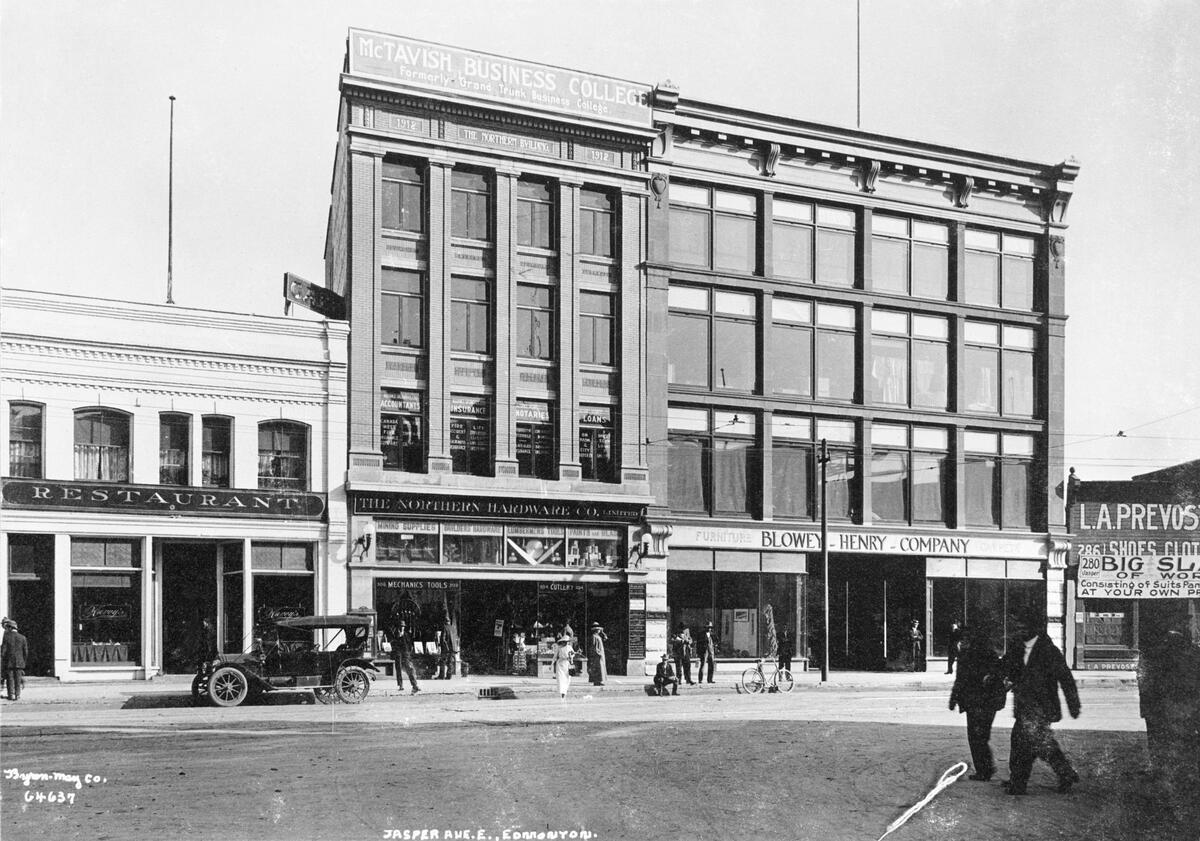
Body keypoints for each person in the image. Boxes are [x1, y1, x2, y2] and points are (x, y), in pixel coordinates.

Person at [1001, 614, 1080, 795]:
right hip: (1024, 705)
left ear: (1034, 628)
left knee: (1024, 742)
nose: (1019, 630)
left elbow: (1066, 678)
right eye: (1017, 627)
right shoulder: (1017, 647)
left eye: (1022, 626)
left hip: (1042, 706)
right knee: (1037, 742)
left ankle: (1018, 783)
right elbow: (1006, 667)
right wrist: (999, 678)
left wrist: (1073, 705)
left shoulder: (1049, 650)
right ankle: (1065, 772)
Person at [1137, 619, 1200, 795]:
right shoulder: (1193, 654)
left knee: (1163, 739)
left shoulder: (1156, 655)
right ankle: (1178, 774)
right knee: (1182, 740)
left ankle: (1164, 772)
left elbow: (1147, 682)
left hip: (1166, 705)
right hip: (1180, 706)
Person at [948, 627, 1008, 781]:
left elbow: (960, 679)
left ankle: (984, 770)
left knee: (976, 737)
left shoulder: (969, 655)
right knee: (981, 736)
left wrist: (953, 699)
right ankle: (985, 769)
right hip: (985, 702)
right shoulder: (988, 654)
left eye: (965, 639)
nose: (962, 642)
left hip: (978, 702)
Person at [389, 619, 420, 695]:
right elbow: (393, 644)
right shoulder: (395, 634)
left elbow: (409, 644)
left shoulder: (406, 634)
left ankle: (414, 685)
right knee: (398, 669)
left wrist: (409, 653)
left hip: (405, 655)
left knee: (410, 669)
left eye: (403, 626)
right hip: (398, 655)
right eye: (400, 626)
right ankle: (400, 685)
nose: (402, 628)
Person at [2, 618, 29, 702]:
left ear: (10, 628)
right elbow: (26, 652)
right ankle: (17, 695)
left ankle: (11, 695)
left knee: (10, 679)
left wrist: (3, 660)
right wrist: (23, 661)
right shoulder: (23, 637)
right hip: (20, 662)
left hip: (9, 662)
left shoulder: (7, 637)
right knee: (18, 679)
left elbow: (3, 651)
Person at [552, 634, 576, 699]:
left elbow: (573, 654)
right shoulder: (559, 648)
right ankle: (562, 693)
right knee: (560, 678)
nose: (566, 643)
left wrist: (571, 657)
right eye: (564, 641)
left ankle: (564, 692)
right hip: (560, 664)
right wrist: (551, 664)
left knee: (567, 678)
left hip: (567, 664)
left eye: (567, 641)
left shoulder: (569, 647)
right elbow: (555, 656)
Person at [436, 613, 458, 679]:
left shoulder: (444, 628)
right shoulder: (453, 628)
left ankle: (441, 676)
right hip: (453, 648)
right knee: (450, 662)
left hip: (446, 648)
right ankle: (449, 676)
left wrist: (442, 646)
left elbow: (443, 638)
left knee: (443, 661)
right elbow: (455, 638)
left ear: (444, 622)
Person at [588, 622, 608, 686]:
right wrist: (597, 653)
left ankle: (599, 681)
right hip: (597, 655)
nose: (599, 630)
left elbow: (605, 638)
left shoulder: (598, 636)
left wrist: (603, 633)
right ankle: (597, 681)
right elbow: (593, 646)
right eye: (599, 629)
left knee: (600, 668)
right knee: (598, 668)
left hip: (600, 654)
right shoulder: (594, 636)